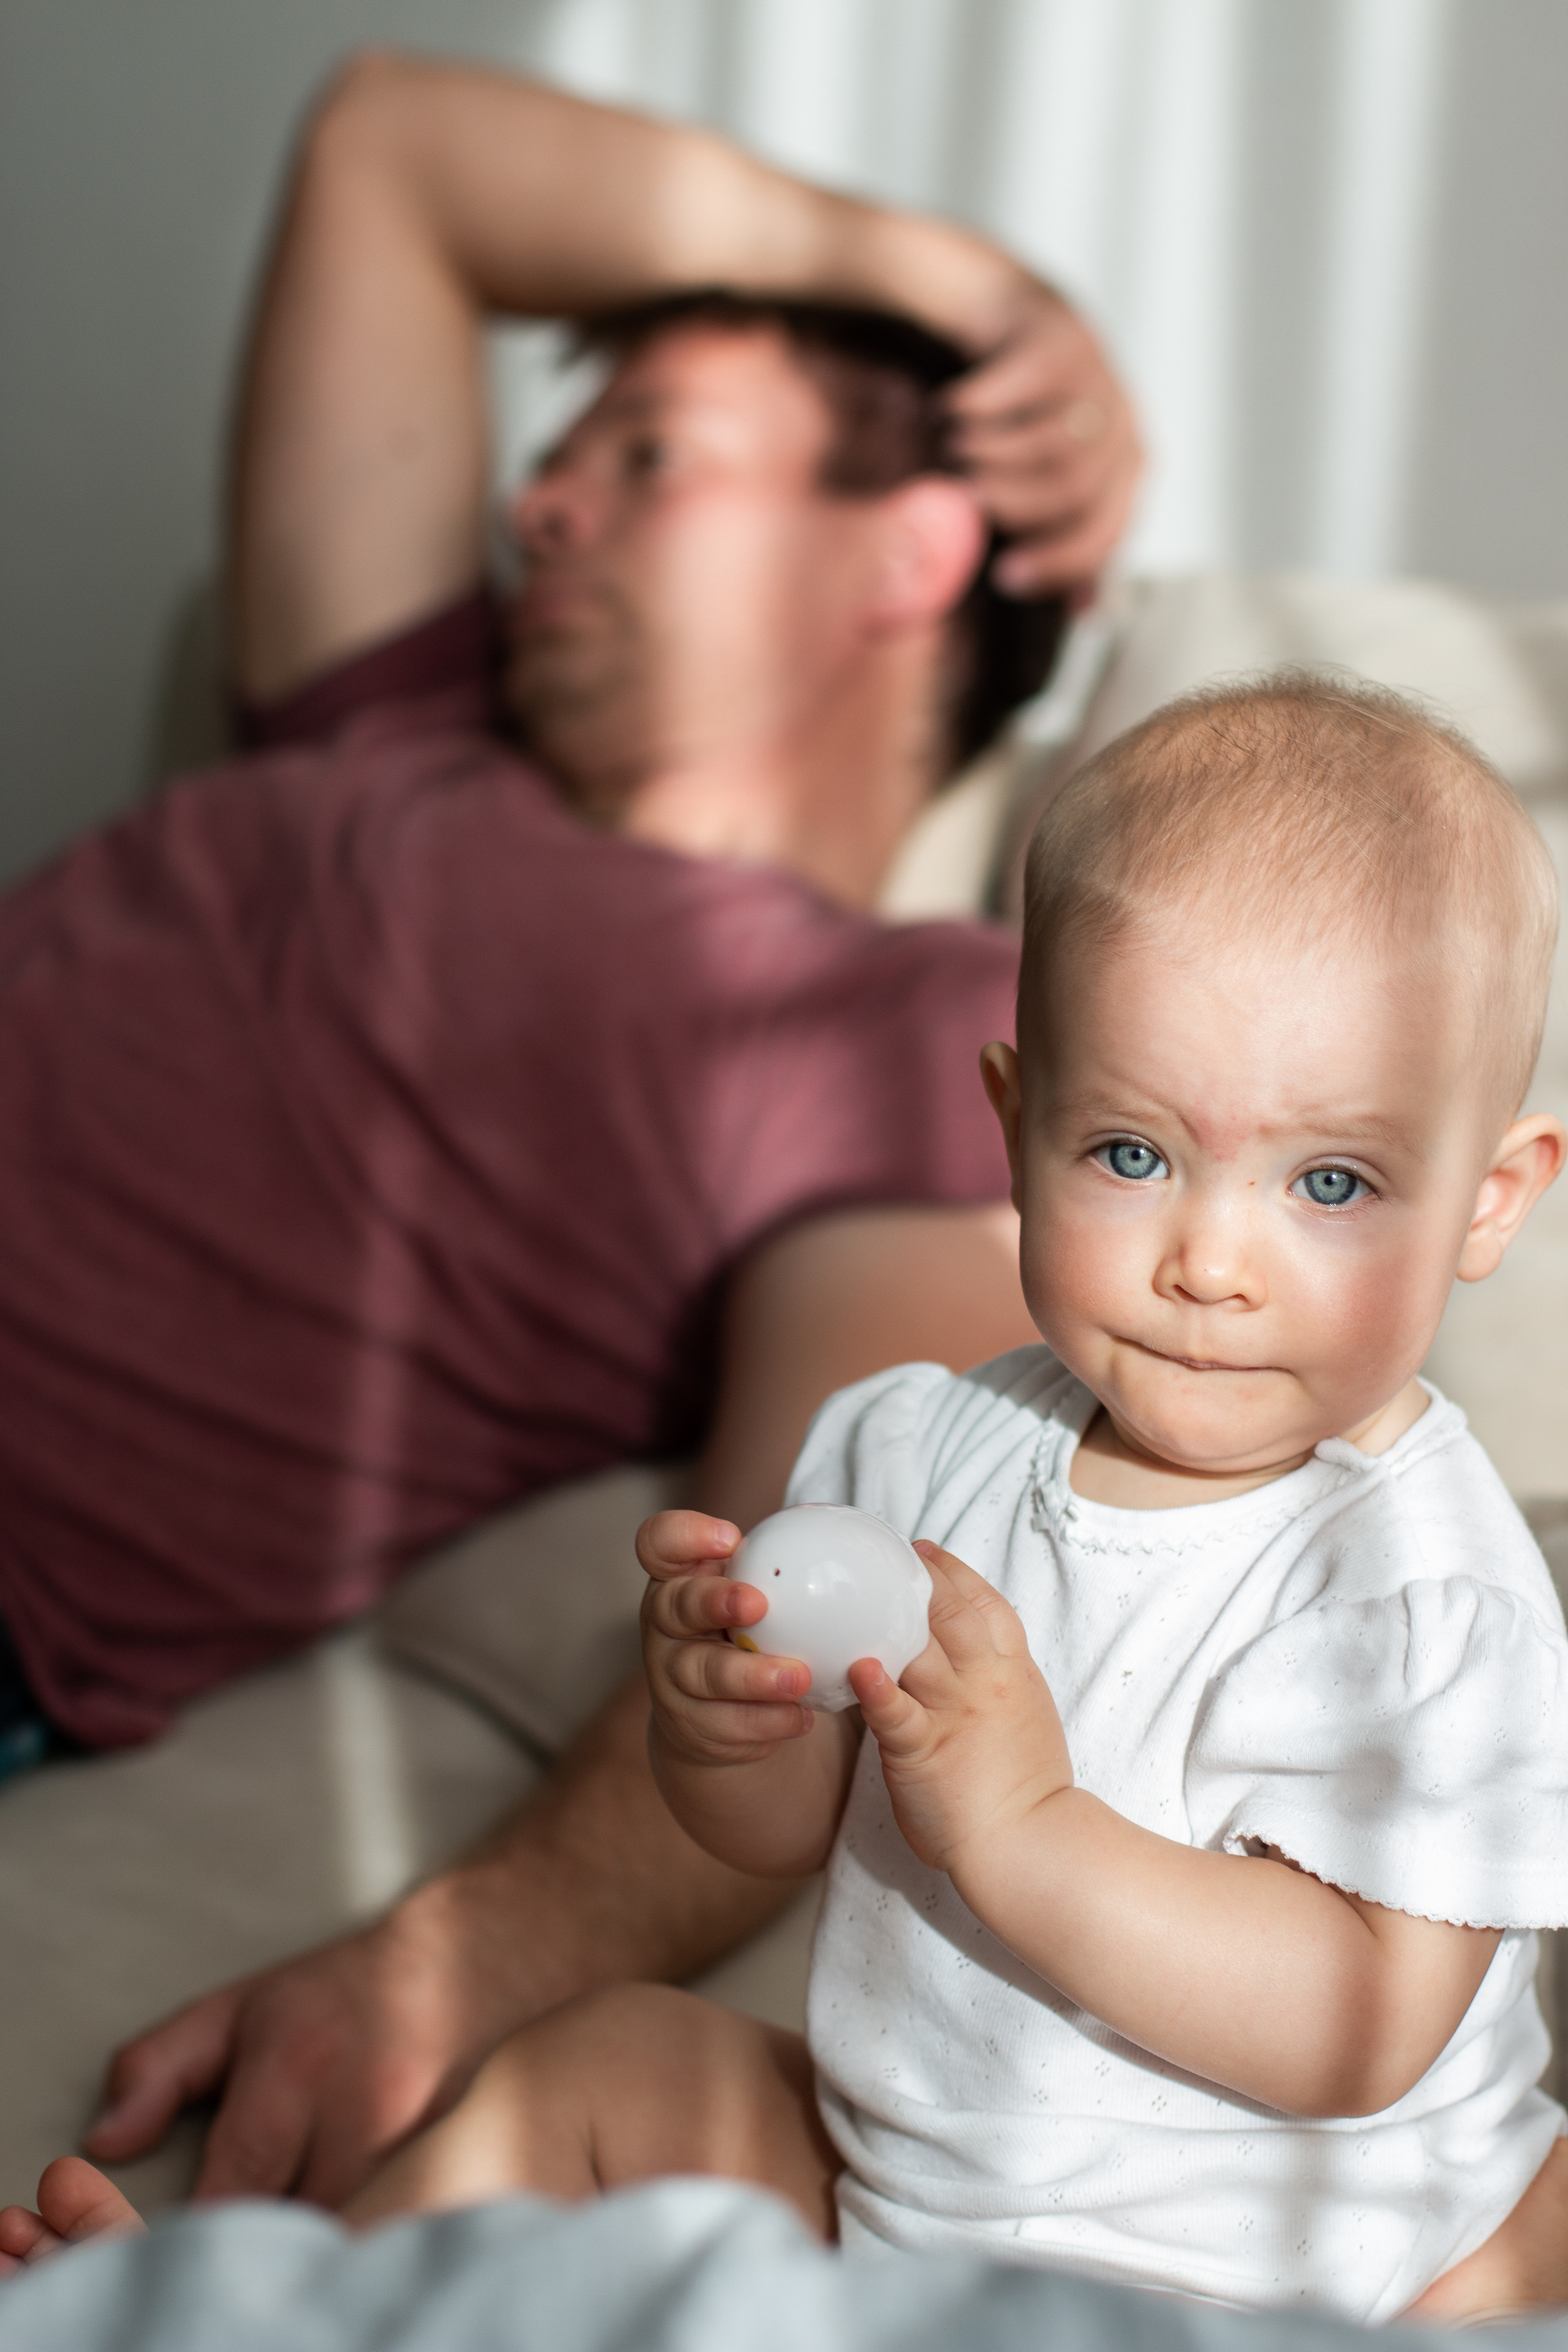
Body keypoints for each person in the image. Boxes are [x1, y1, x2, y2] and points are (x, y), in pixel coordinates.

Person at [22, 679, 1550, 2318]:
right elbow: (778, 1829)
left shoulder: (1413, 1591)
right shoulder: (920, 1449)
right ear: (1014, 1124)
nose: (1210, 1262)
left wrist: (1028, 1828)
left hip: (1289, 2280)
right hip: (902, 2189)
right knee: (605, 2069)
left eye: (1330, 1183)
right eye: (1129, 1154)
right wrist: (726, 1732)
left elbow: (1361, 2030)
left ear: (1489, 1200)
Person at [0, 52, 1143, 2205]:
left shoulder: (925, 1036)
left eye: (649, 454)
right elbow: (386, 148)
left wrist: (455, 1954)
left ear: (915, 549)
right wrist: (953, 284)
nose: (543, 510)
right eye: (559, 460)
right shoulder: (396, 721)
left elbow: (796, 1598)